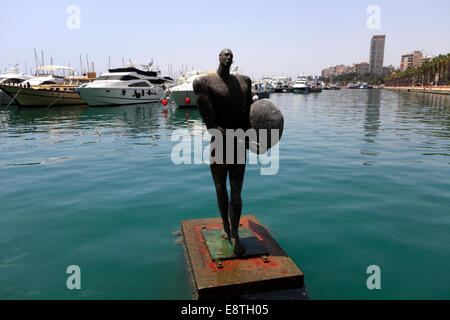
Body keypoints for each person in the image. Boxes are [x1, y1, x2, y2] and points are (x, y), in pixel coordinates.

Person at [193, 49, 253, 255]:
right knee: (221, 190)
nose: (228, 57)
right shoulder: (204, 83)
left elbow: (248, 117)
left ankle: (234, 233)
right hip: (219, 144)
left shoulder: (245, 82)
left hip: (238, 144)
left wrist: (252, 139)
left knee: (236, 193)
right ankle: (225, 226)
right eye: (224, 54)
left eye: (231, 55)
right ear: (218, 58)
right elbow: (210, 124)